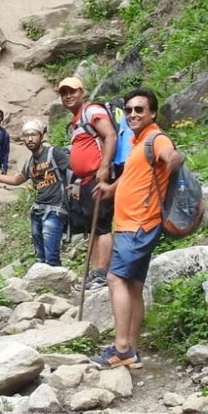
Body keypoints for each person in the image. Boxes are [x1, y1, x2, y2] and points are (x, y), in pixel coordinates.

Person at [90, 88, 182, 370]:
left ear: (152, 113)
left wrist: (173, 158)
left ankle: (121, 349)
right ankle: (132, 348)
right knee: (133, 287)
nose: (132, 114)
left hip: (139, 224)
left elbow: (168, 153)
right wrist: (110, 189)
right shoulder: (136, 141)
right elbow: (133, 174)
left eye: (139, 109)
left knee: (115, 279)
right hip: (133, 223)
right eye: (129, 110)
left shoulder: (156, 138)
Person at [0, 118, 71, 265]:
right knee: (40, 258)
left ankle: (57, 283)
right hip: (38, 211)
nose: (30, 138)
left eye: (34, 135)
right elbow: (17, 180)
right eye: (26, 135)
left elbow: (76, 167)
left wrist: (79, 184)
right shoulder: (30, 162)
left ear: (41, 136)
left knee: (51, 257)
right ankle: (41, 285)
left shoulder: (53, 153)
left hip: (56, 209)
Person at [58, 76, 118, 291]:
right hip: (85, 181)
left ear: (82, 92)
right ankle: (94, 273)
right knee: (90, 229)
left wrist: (103, 167)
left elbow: (110, 135)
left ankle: (103, 273)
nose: (68, 96)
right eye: (64, 93)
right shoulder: (76, 121)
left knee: (101, 226)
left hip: (98, 178)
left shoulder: (91, 111)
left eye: (72, 91)